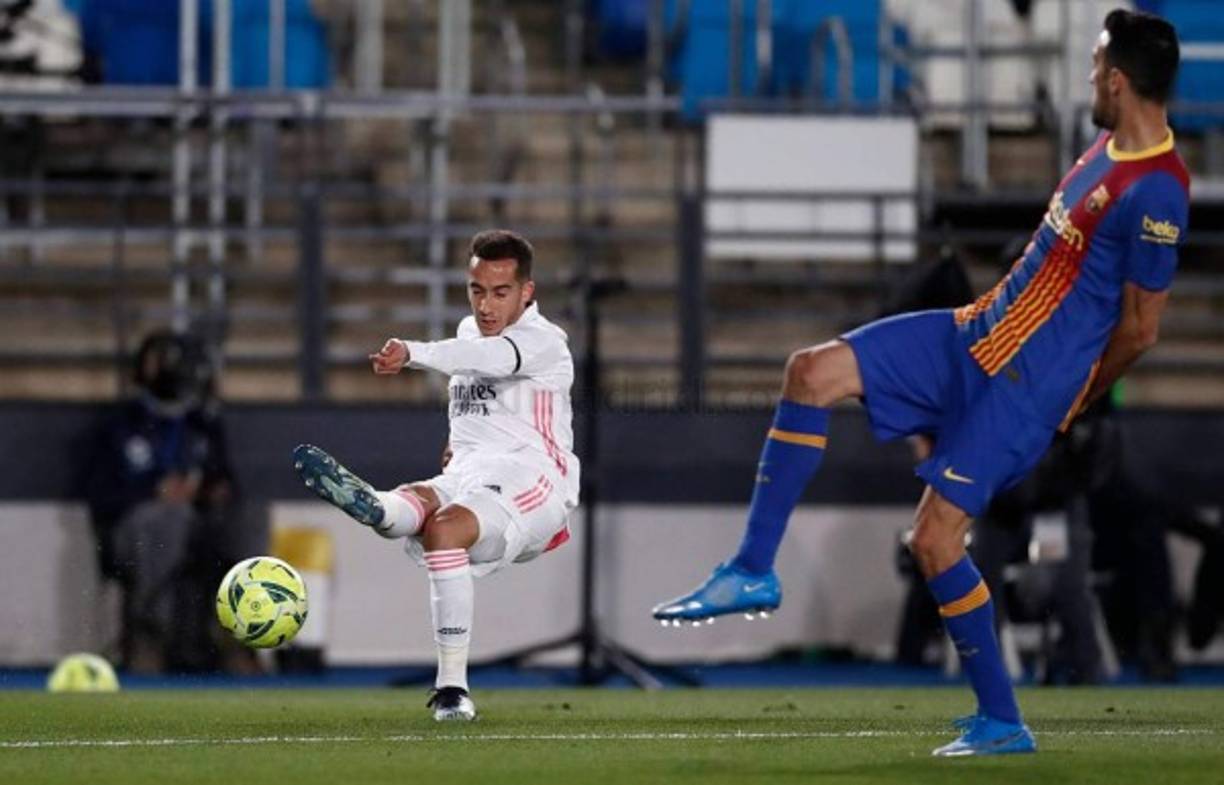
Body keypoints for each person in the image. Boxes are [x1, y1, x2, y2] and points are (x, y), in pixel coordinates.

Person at [653, 9, 1188, 756]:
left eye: (1098, 66)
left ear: (1120, 80)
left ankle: (1001, 720)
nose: (1090, 76)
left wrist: (1073, 398)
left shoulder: (1158, 190)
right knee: (810, 371)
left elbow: (1140, 329)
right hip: (972, 335)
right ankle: (751, 569)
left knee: (936, 541)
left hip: (1024, 388)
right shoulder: (1102, 148)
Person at [294, 229, 579, 721]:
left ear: (527, 292)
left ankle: (451, 688)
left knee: (444, 528)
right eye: (477, 290)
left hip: (534, 480)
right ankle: (378, 508)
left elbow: (489, 360)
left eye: (501, 292)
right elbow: (475, 401)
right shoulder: (469, 333)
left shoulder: (543, 341)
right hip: (470, 473)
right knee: (417, 505)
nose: (485, 305)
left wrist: (412, 351)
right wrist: (459, 443)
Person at [86, 329, 258, 674]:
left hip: (198, 520)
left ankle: (242, 630)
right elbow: (101, 496)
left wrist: (210, 490)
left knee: (249, 514)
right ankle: (151, 634)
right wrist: (154, 492)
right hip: (135, 529)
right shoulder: (119, 426)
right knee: (167, 518)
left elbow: (223, 478)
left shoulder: (201, 425)